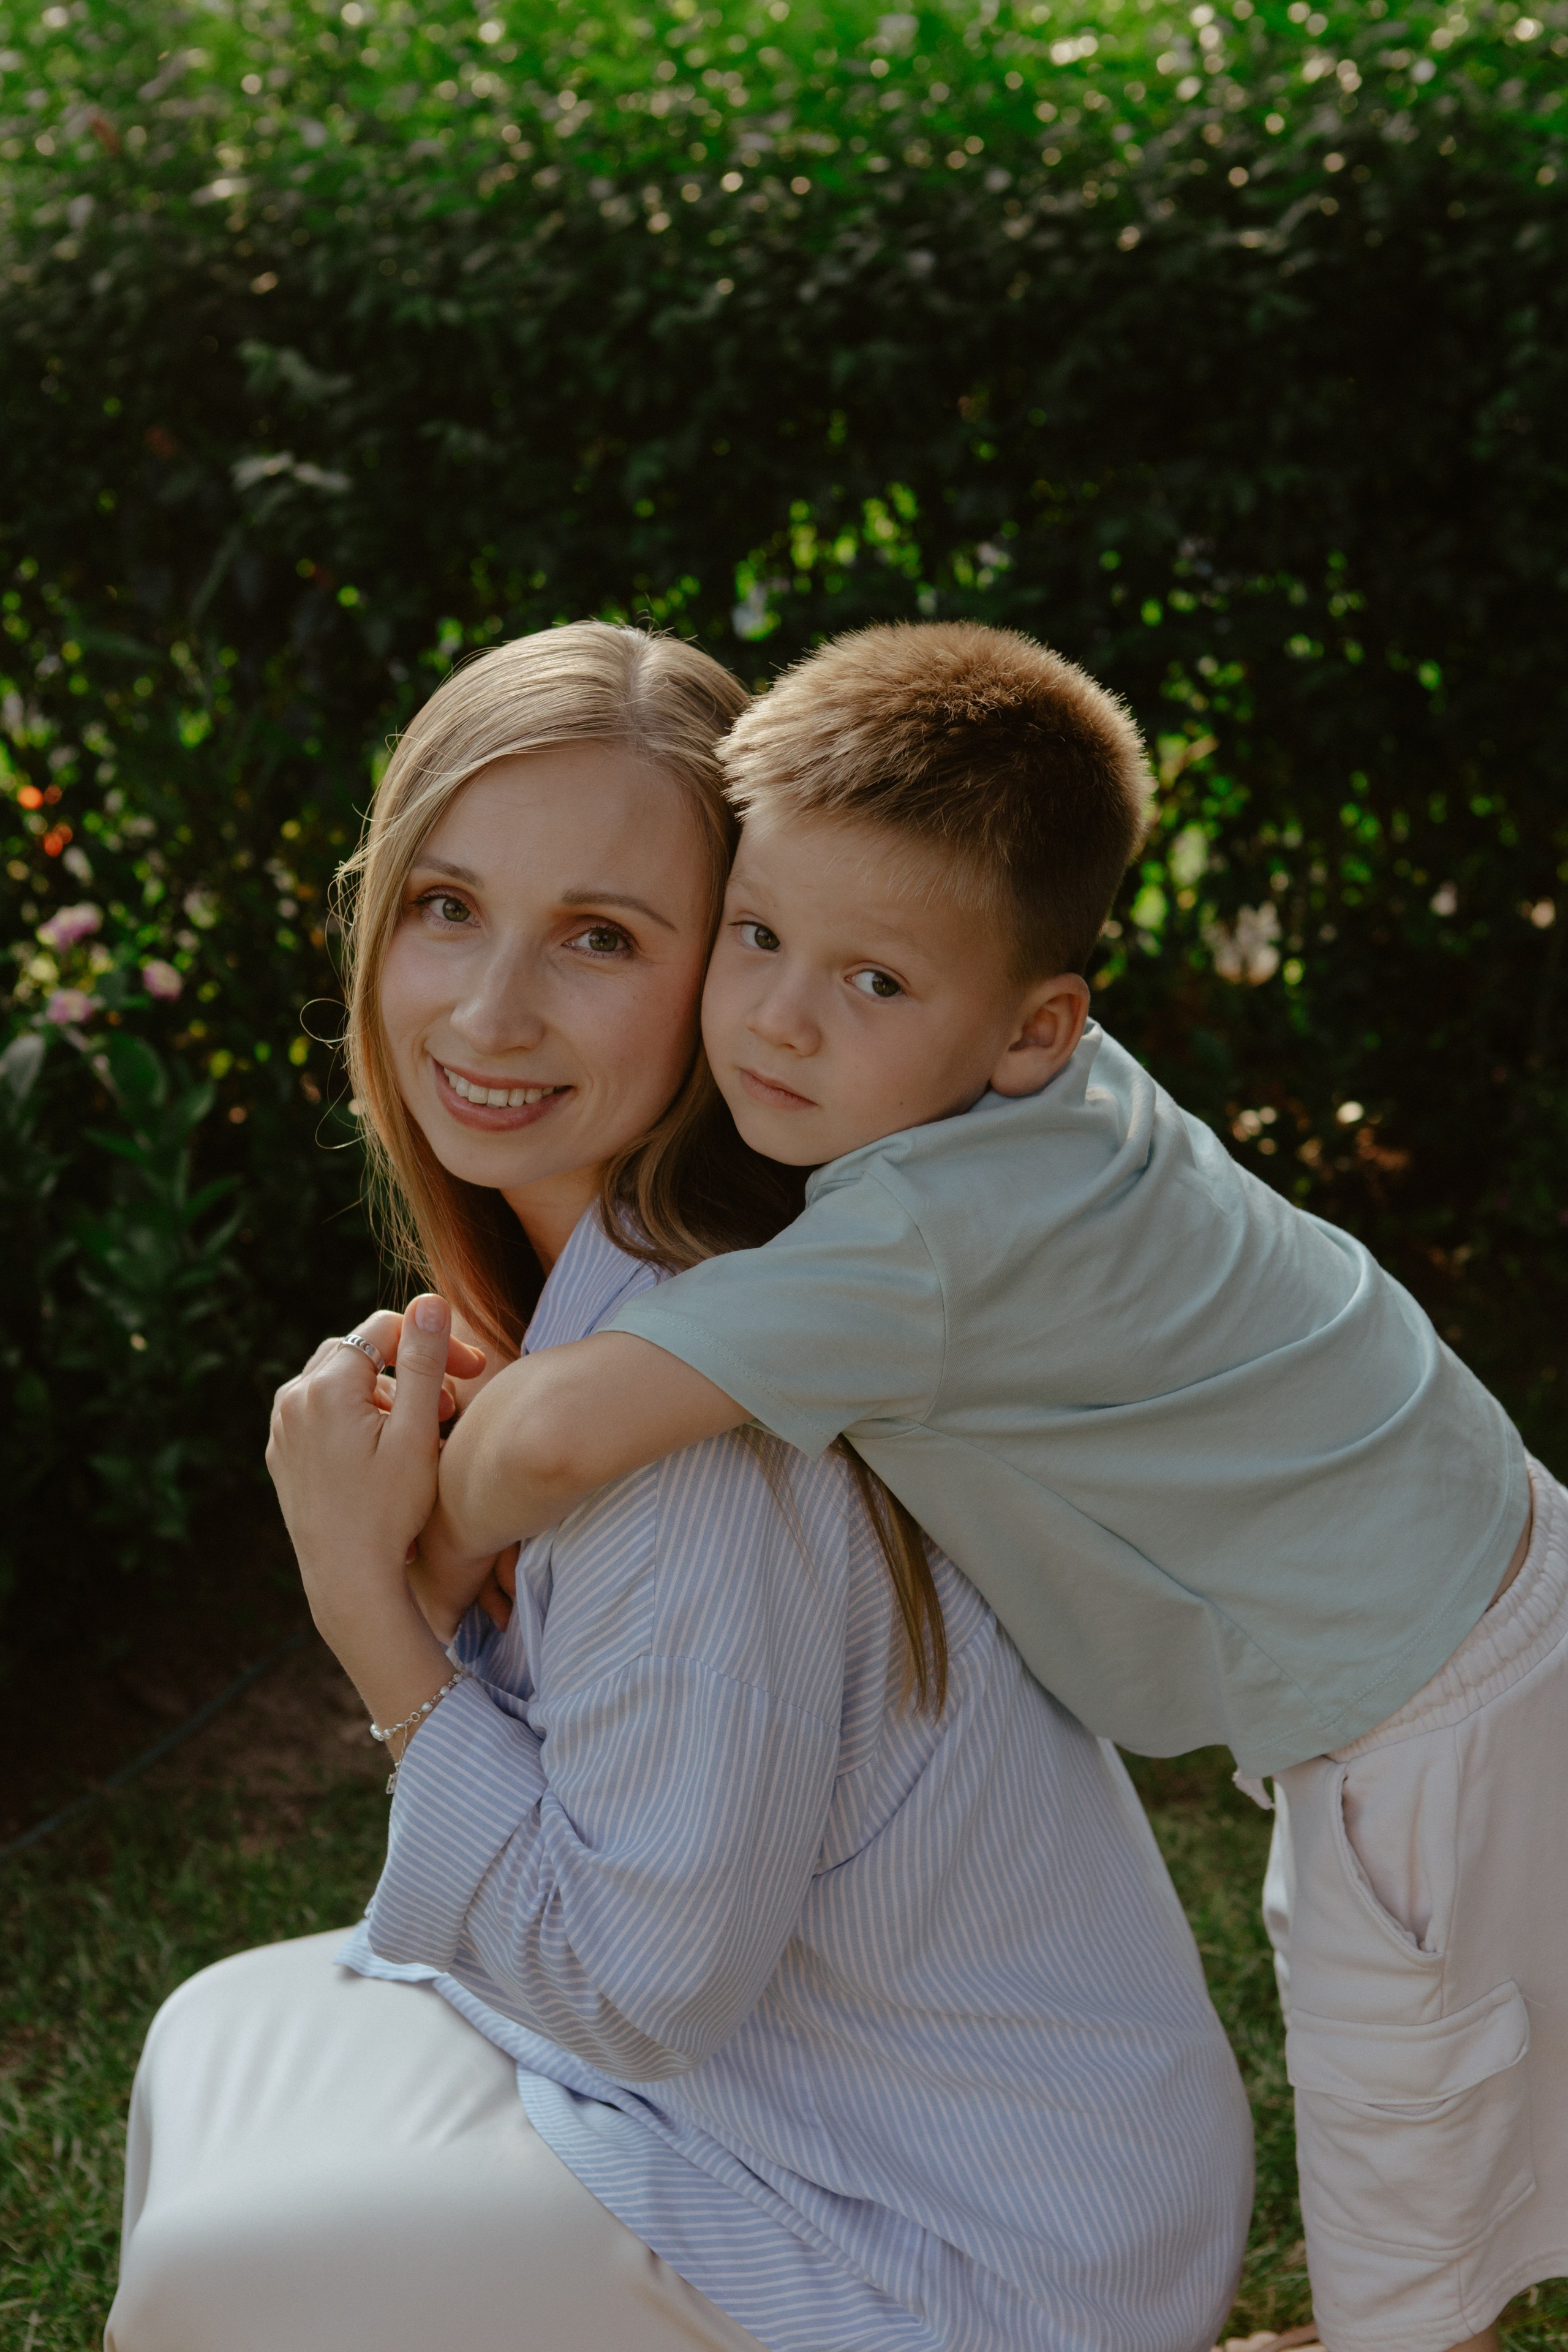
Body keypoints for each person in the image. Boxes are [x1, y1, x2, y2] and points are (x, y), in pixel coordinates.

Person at [420, 620, 1568, 2352]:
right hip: (1470, 1589)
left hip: (1437, 1700)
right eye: (755, 936)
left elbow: (553, 1442)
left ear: (1036, 1027)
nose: (783, 1022)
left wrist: (408, 1543)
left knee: (1400, 2111)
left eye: (875, 983)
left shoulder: (915, 1242)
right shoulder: (1038, 1112)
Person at [107, 621, 1254, 2352]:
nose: (490, 1010)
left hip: (955, 2247)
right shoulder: (637, 1315)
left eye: (600, 938)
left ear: (726, 969)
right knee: (218, 2038)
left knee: (218, 2271)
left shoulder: (687, 1434)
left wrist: (374, 1617)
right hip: (807, 2112)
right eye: (446, 906)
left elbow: (638, 1991)